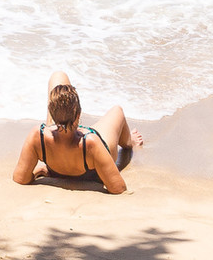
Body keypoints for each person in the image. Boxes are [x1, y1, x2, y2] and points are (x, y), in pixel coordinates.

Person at [12, 69, 143, 194]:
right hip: (91, 170)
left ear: (51, 113)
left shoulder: (38, 135)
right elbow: (118, 188)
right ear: (79, 114)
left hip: (56, 166)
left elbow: (20, 178)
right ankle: (129, 141)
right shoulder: (91, 142)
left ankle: (62, 117)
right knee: (117, 111)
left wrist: (39, 170)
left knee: (58, 75)